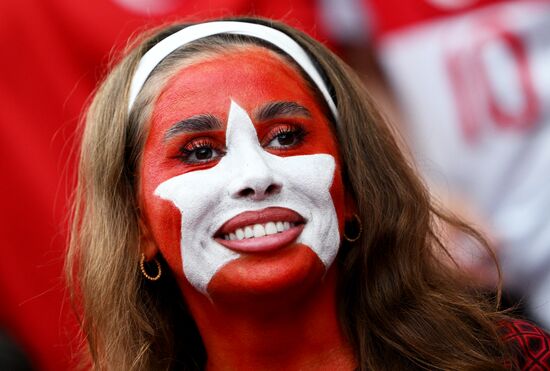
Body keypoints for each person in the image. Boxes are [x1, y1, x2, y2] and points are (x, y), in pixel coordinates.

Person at [66, 17, 550, 370]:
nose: (255, 175)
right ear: (138, 227)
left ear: (354, 191)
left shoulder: (513, 360)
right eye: (197, 151)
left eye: (286, 136)